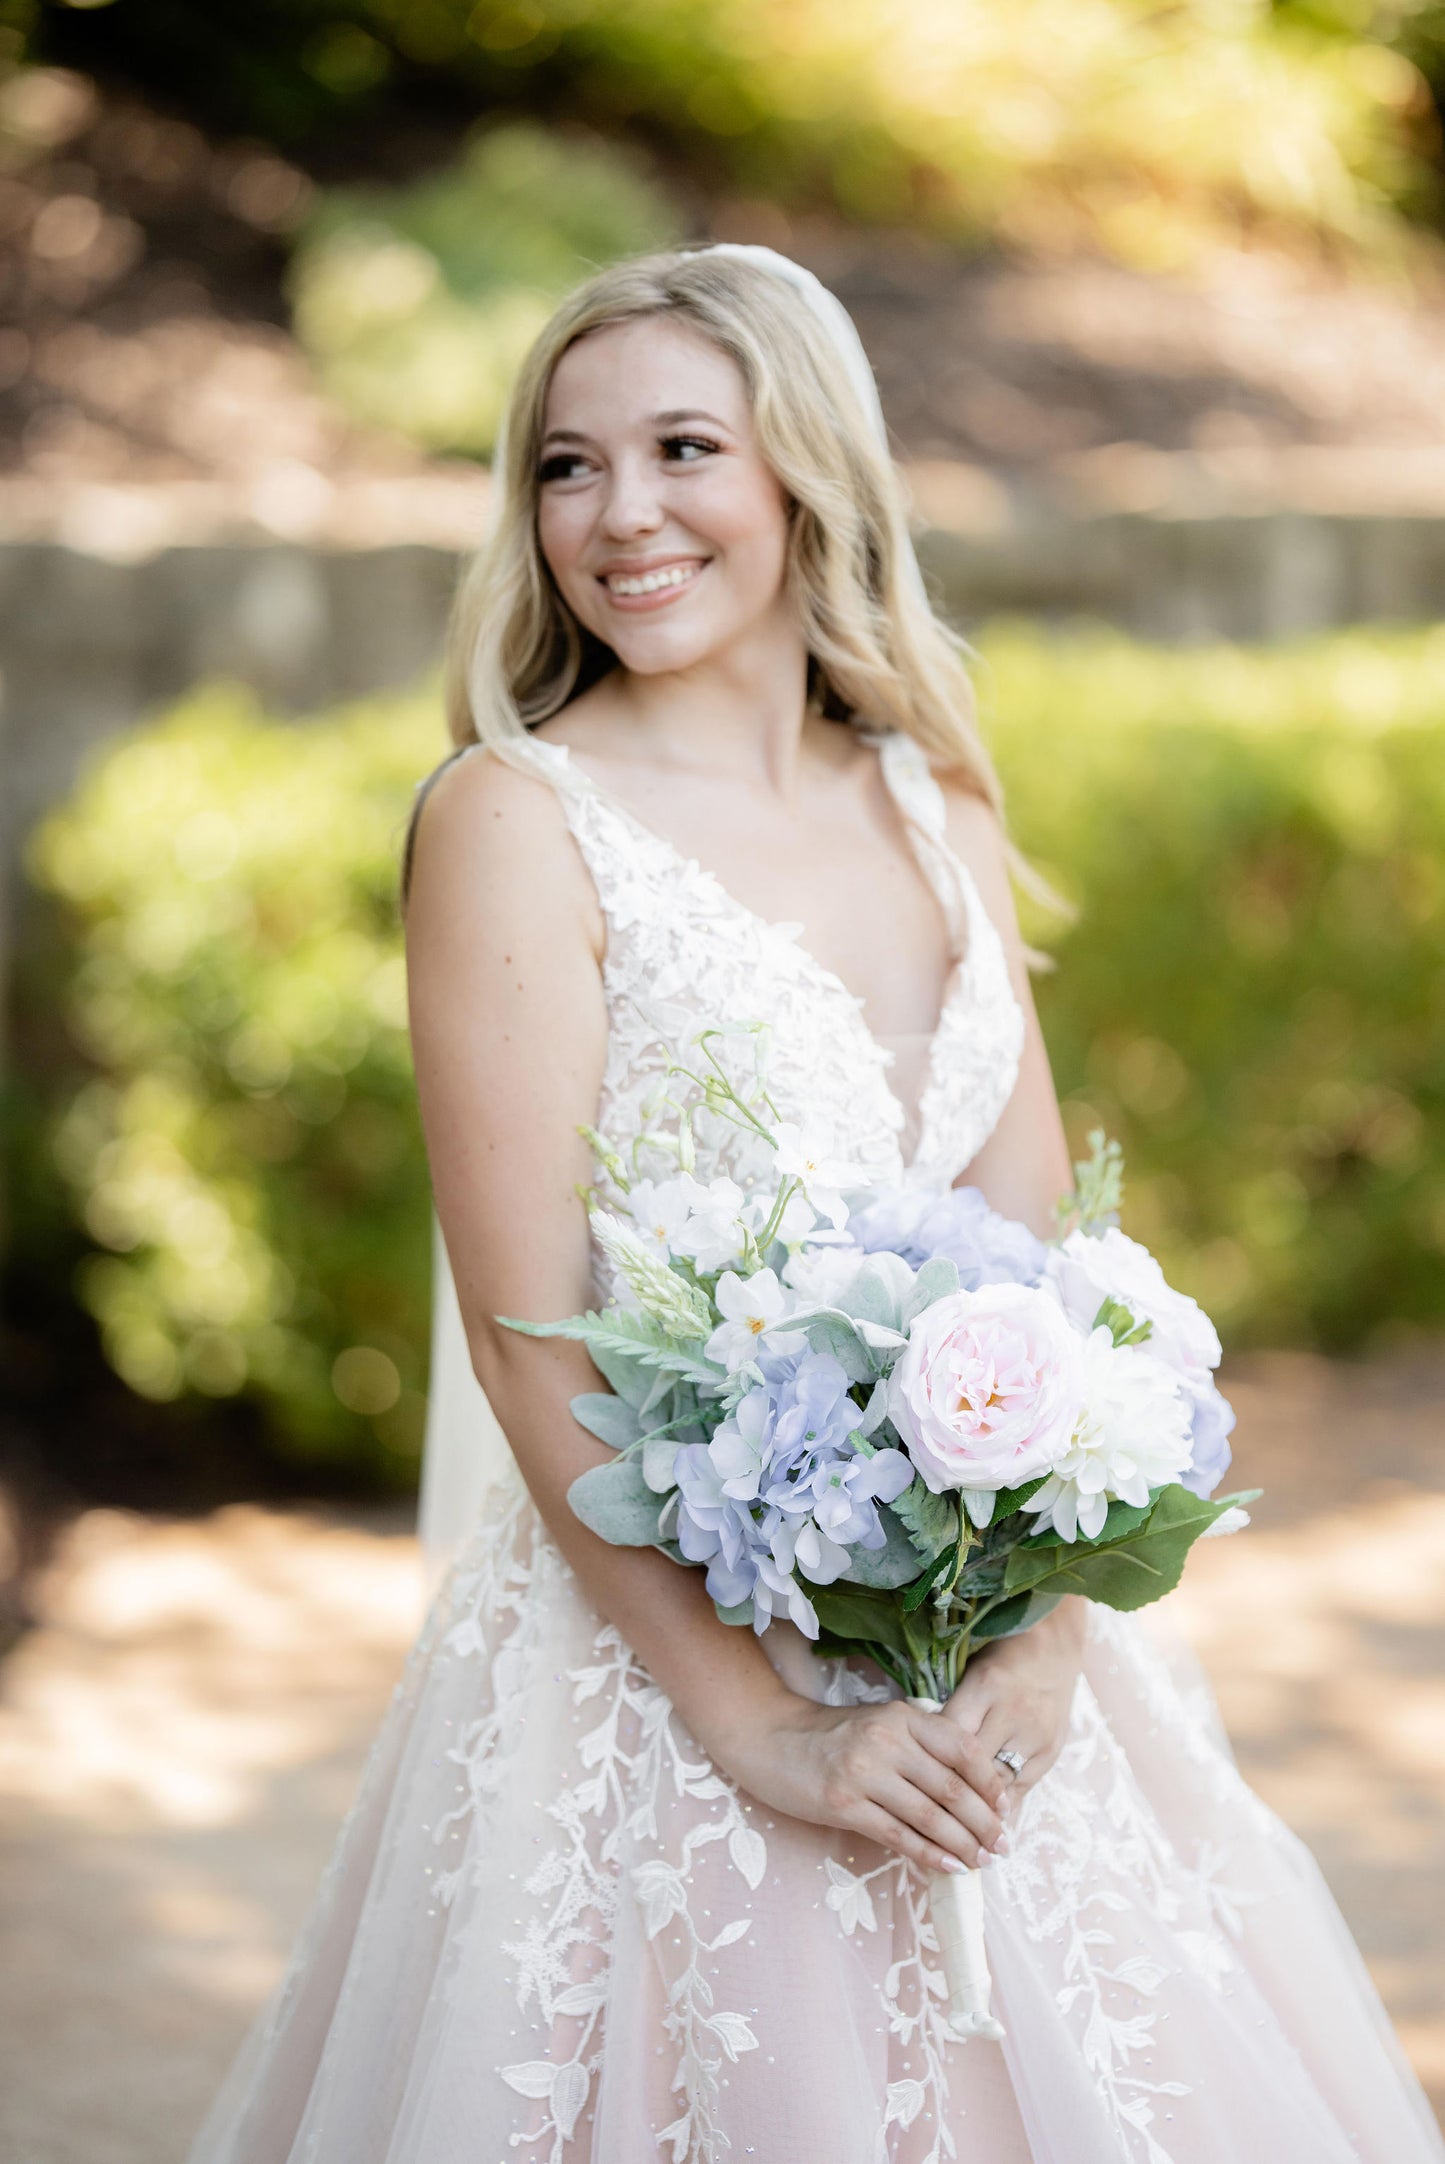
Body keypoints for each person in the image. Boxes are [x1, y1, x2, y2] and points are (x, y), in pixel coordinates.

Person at [185, 245, 1444, 2164]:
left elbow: (1049, 1274)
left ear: (805, 470)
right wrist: (758, 1726)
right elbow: (528, 1341)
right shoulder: (513, 822)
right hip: (667, 1674)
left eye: (683, 448)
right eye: (565, 465)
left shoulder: (937, 801)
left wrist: (1044, 1644)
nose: (620, 513)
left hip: (992, 1660)